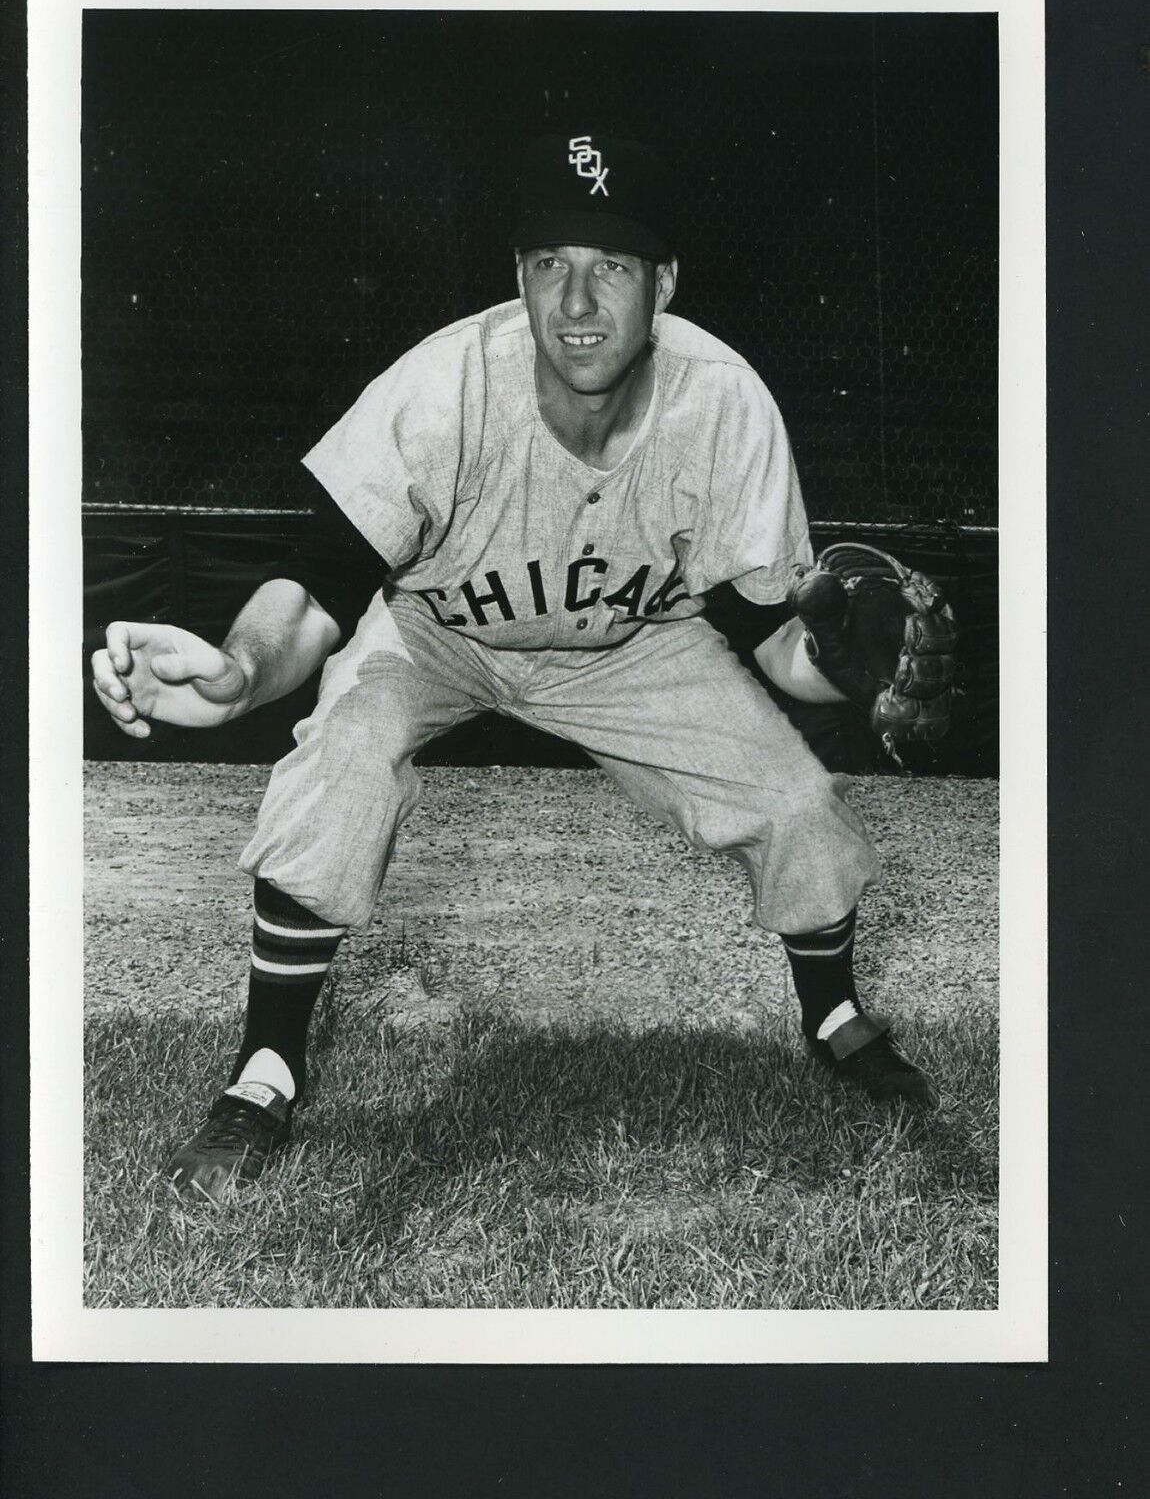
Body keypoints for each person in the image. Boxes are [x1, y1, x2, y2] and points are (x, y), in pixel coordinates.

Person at [91, 132, 936, 1203]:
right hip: (440, 631)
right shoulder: (439, 392)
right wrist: (237, 672)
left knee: (797, 801)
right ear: (519, 278)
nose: (578, 301)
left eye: (613, 267)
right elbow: (308, 589)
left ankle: (833, 1015)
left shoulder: (725, 404)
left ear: (663, 284)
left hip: (634, 645)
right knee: (342, 755)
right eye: (551, 264)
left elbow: (775, 643)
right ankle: (265, 1068)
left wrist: (843, 665)